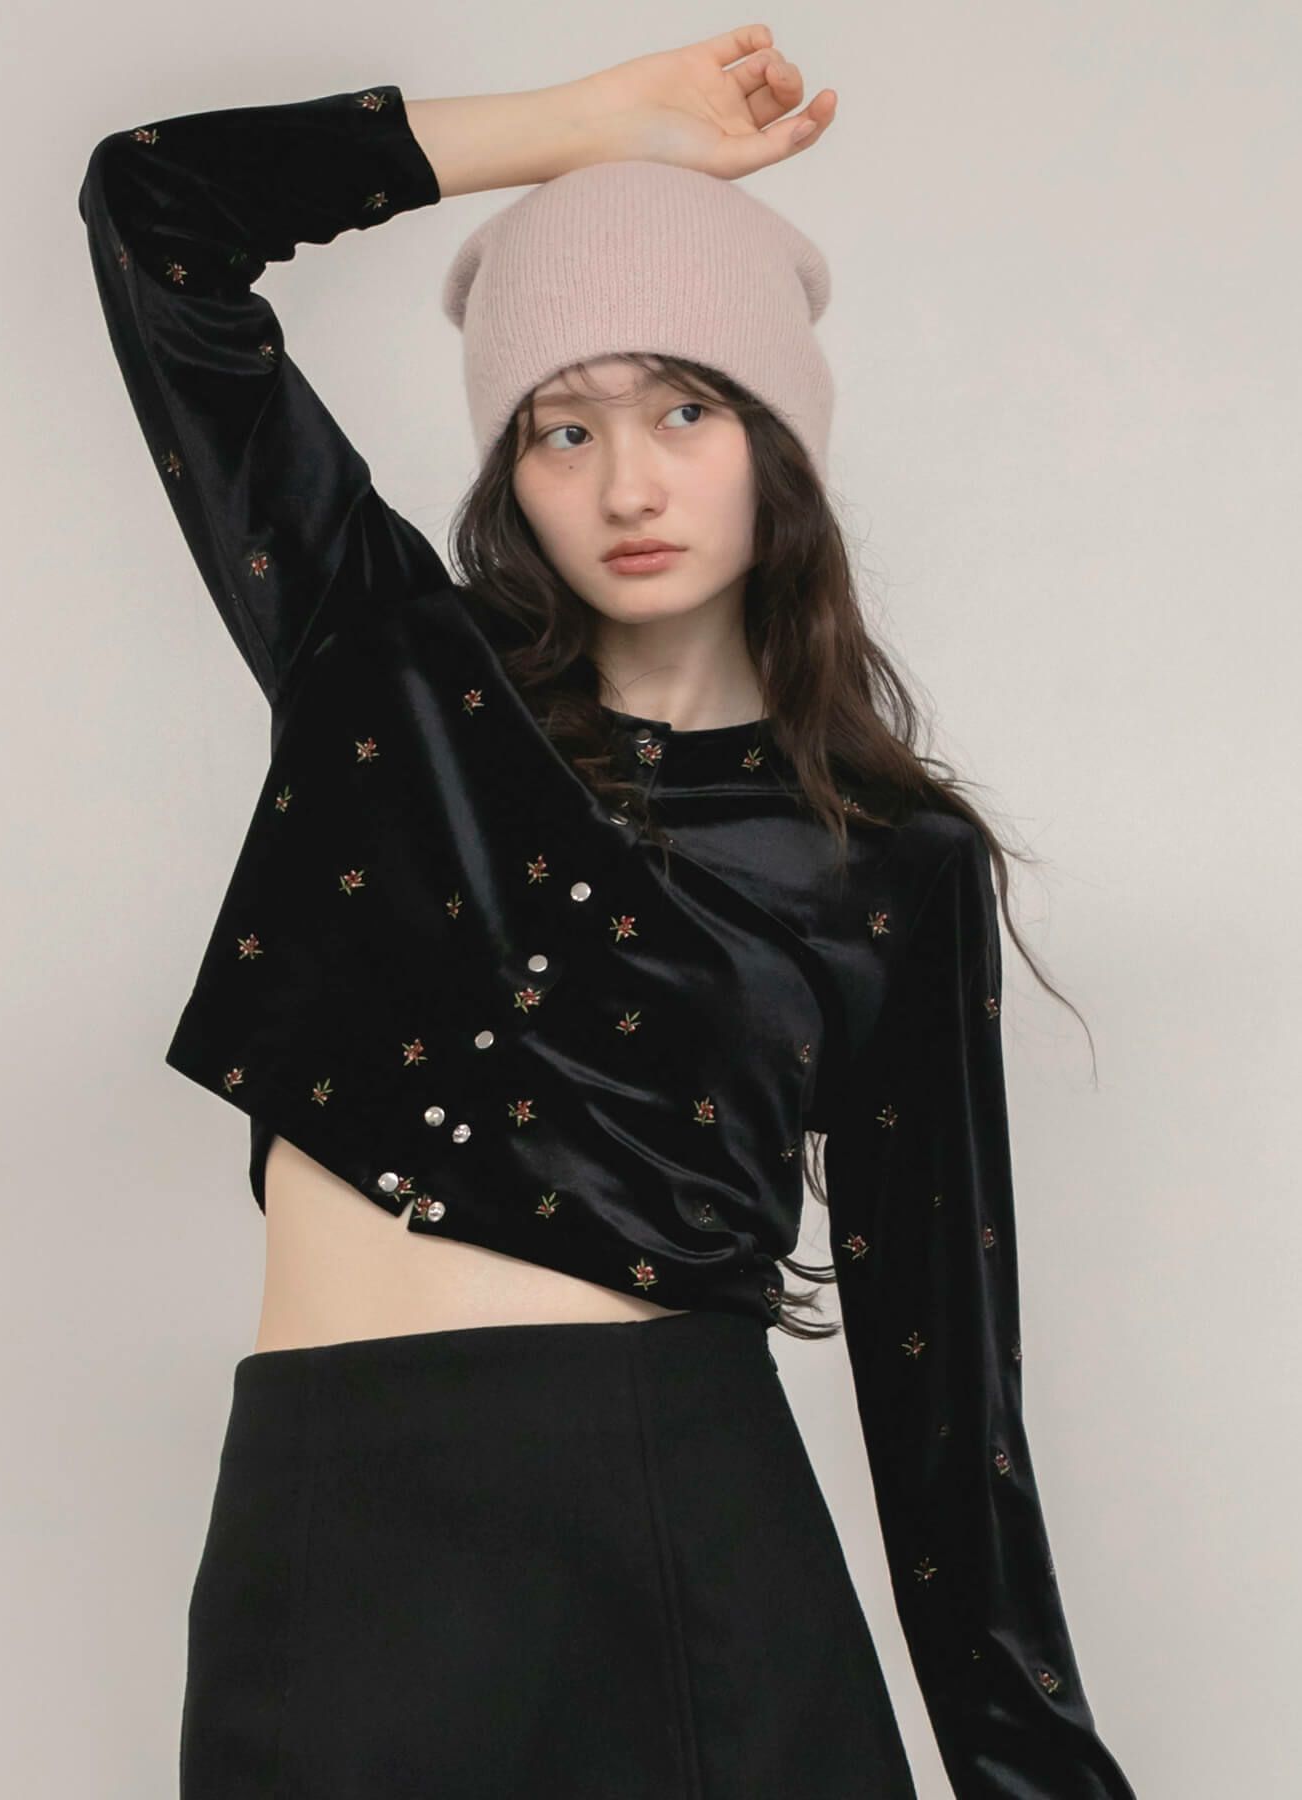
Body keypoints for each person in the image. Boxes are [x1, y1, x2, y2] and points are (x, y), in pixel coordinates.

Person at [77, 25, 1138, 1798]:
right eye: (562, 427)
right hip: (336, 1536)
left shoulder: (893, 864)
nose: (627, 485)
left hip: (683, 1537)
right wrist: (588, 130)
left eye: (684, 410)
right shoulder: (385, 670)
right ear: (510, 466)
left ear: (776, 440)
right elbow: (154, 208)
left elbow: (946, 1397)